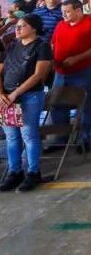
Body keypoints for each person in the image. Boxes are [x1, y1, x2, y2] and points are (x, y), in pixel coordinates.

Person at [0, 14, 52, 192]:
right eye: (17, 26)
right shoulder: (12, 46)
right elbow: (1, 70)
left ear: (34, 28)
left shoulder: (42, 46)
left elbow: (38, 75)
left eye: (22, 26)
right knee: (11, 136)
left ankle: (33, 172)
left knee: (29, 135)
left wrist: (16, 93)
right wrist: (1, 93)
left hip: (29, 96)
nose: (17, 29)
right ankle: (14, 172)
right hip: (7, 98)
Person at [50, 0, 91, 152]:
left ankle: (84, 139)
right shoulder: (61, 25)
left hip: (82, 71)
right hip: (60, 72)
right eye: (62, 12)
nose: (64, 14)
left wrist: (77, 58)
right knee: (57, 104)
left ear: (79, 10)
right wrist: (52, 58)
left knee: (84, 105)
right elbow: (53, 43)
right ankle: (61, 139)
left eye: (67, 11)